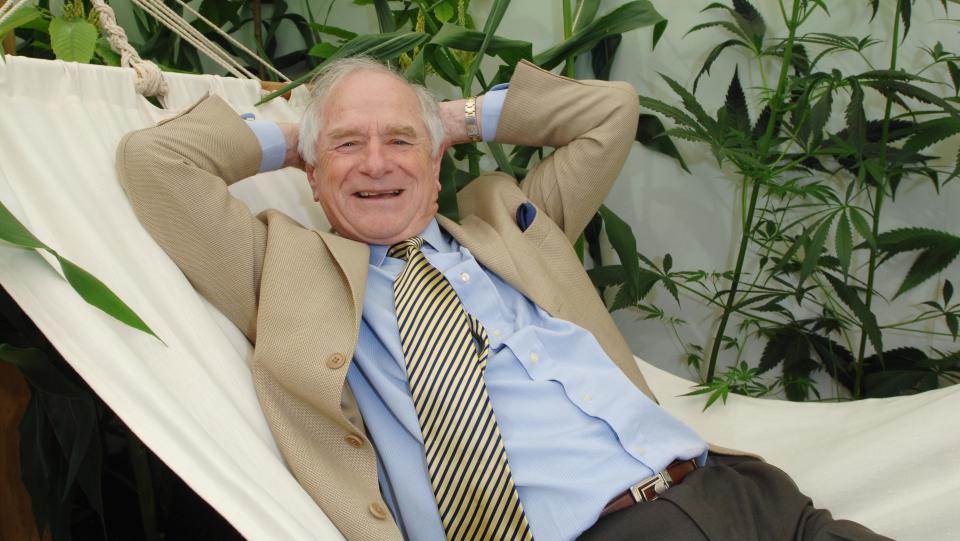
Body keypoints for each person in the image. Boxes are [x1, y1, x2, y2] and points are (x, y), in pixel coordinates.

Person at [117, 58, 888, 541]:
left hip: (751, 498)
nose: (378, 163)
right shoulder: (281, 266)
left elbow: (610, 110)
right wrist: (300, 135)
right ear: (312, 176)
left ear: (436, 157)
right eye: (349, 145)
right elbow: (158, 163)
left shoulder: (513, 223)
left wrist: (451, 119)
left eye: (401, 141)